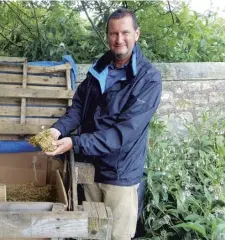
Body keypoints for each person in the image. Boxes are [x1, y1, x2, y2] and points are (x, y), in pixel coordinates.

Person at [44, 8, 162, 240]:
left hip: (120, 174)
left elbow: (122, 134)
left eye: (125, 33)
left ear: (136, 34)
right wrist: (57, 130)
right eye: (113, 33)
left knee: (118, 236)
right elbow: (78, 107)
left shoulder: (148, 79)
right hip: (90, 169)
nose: (119, 40)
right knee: (93, 233)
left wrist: (74, 143)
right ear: (107, 35)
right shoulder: (99, 70)